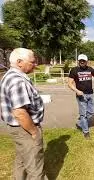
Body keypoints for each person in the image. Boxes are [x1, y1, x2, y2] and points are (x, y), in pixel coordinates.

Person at [0, 48, 47, 179]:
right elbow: (20, 112)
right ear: (20, 62)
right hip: (24, 129)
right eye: (32, 62)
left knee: (21, 161)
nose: (35, 64)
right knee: (35, 168)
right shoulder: (17, 81)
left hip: (18, 129)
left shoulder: (10, 76)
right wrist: (34, 132)